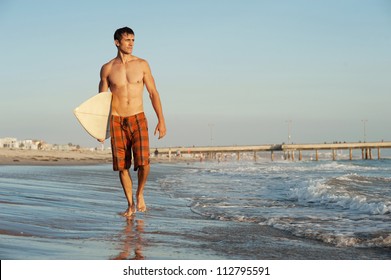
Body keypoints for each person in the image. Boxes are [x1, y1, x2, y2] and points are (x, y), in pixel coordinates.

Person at [99, 27, 166, 217]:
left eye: (133, 40)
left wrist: (161, 120)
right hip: (117, 120)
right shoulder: (107, 68)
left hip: (138, 117)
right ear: (117, 42)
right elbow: (101, 100)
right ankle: (130, 205)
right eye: (127, 40)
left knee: (144, 163)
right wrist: (99, 130)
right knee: (122, 166)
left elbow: (153, 93)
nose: (131, 43)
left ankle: (140, 192)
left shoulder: (142, 64)